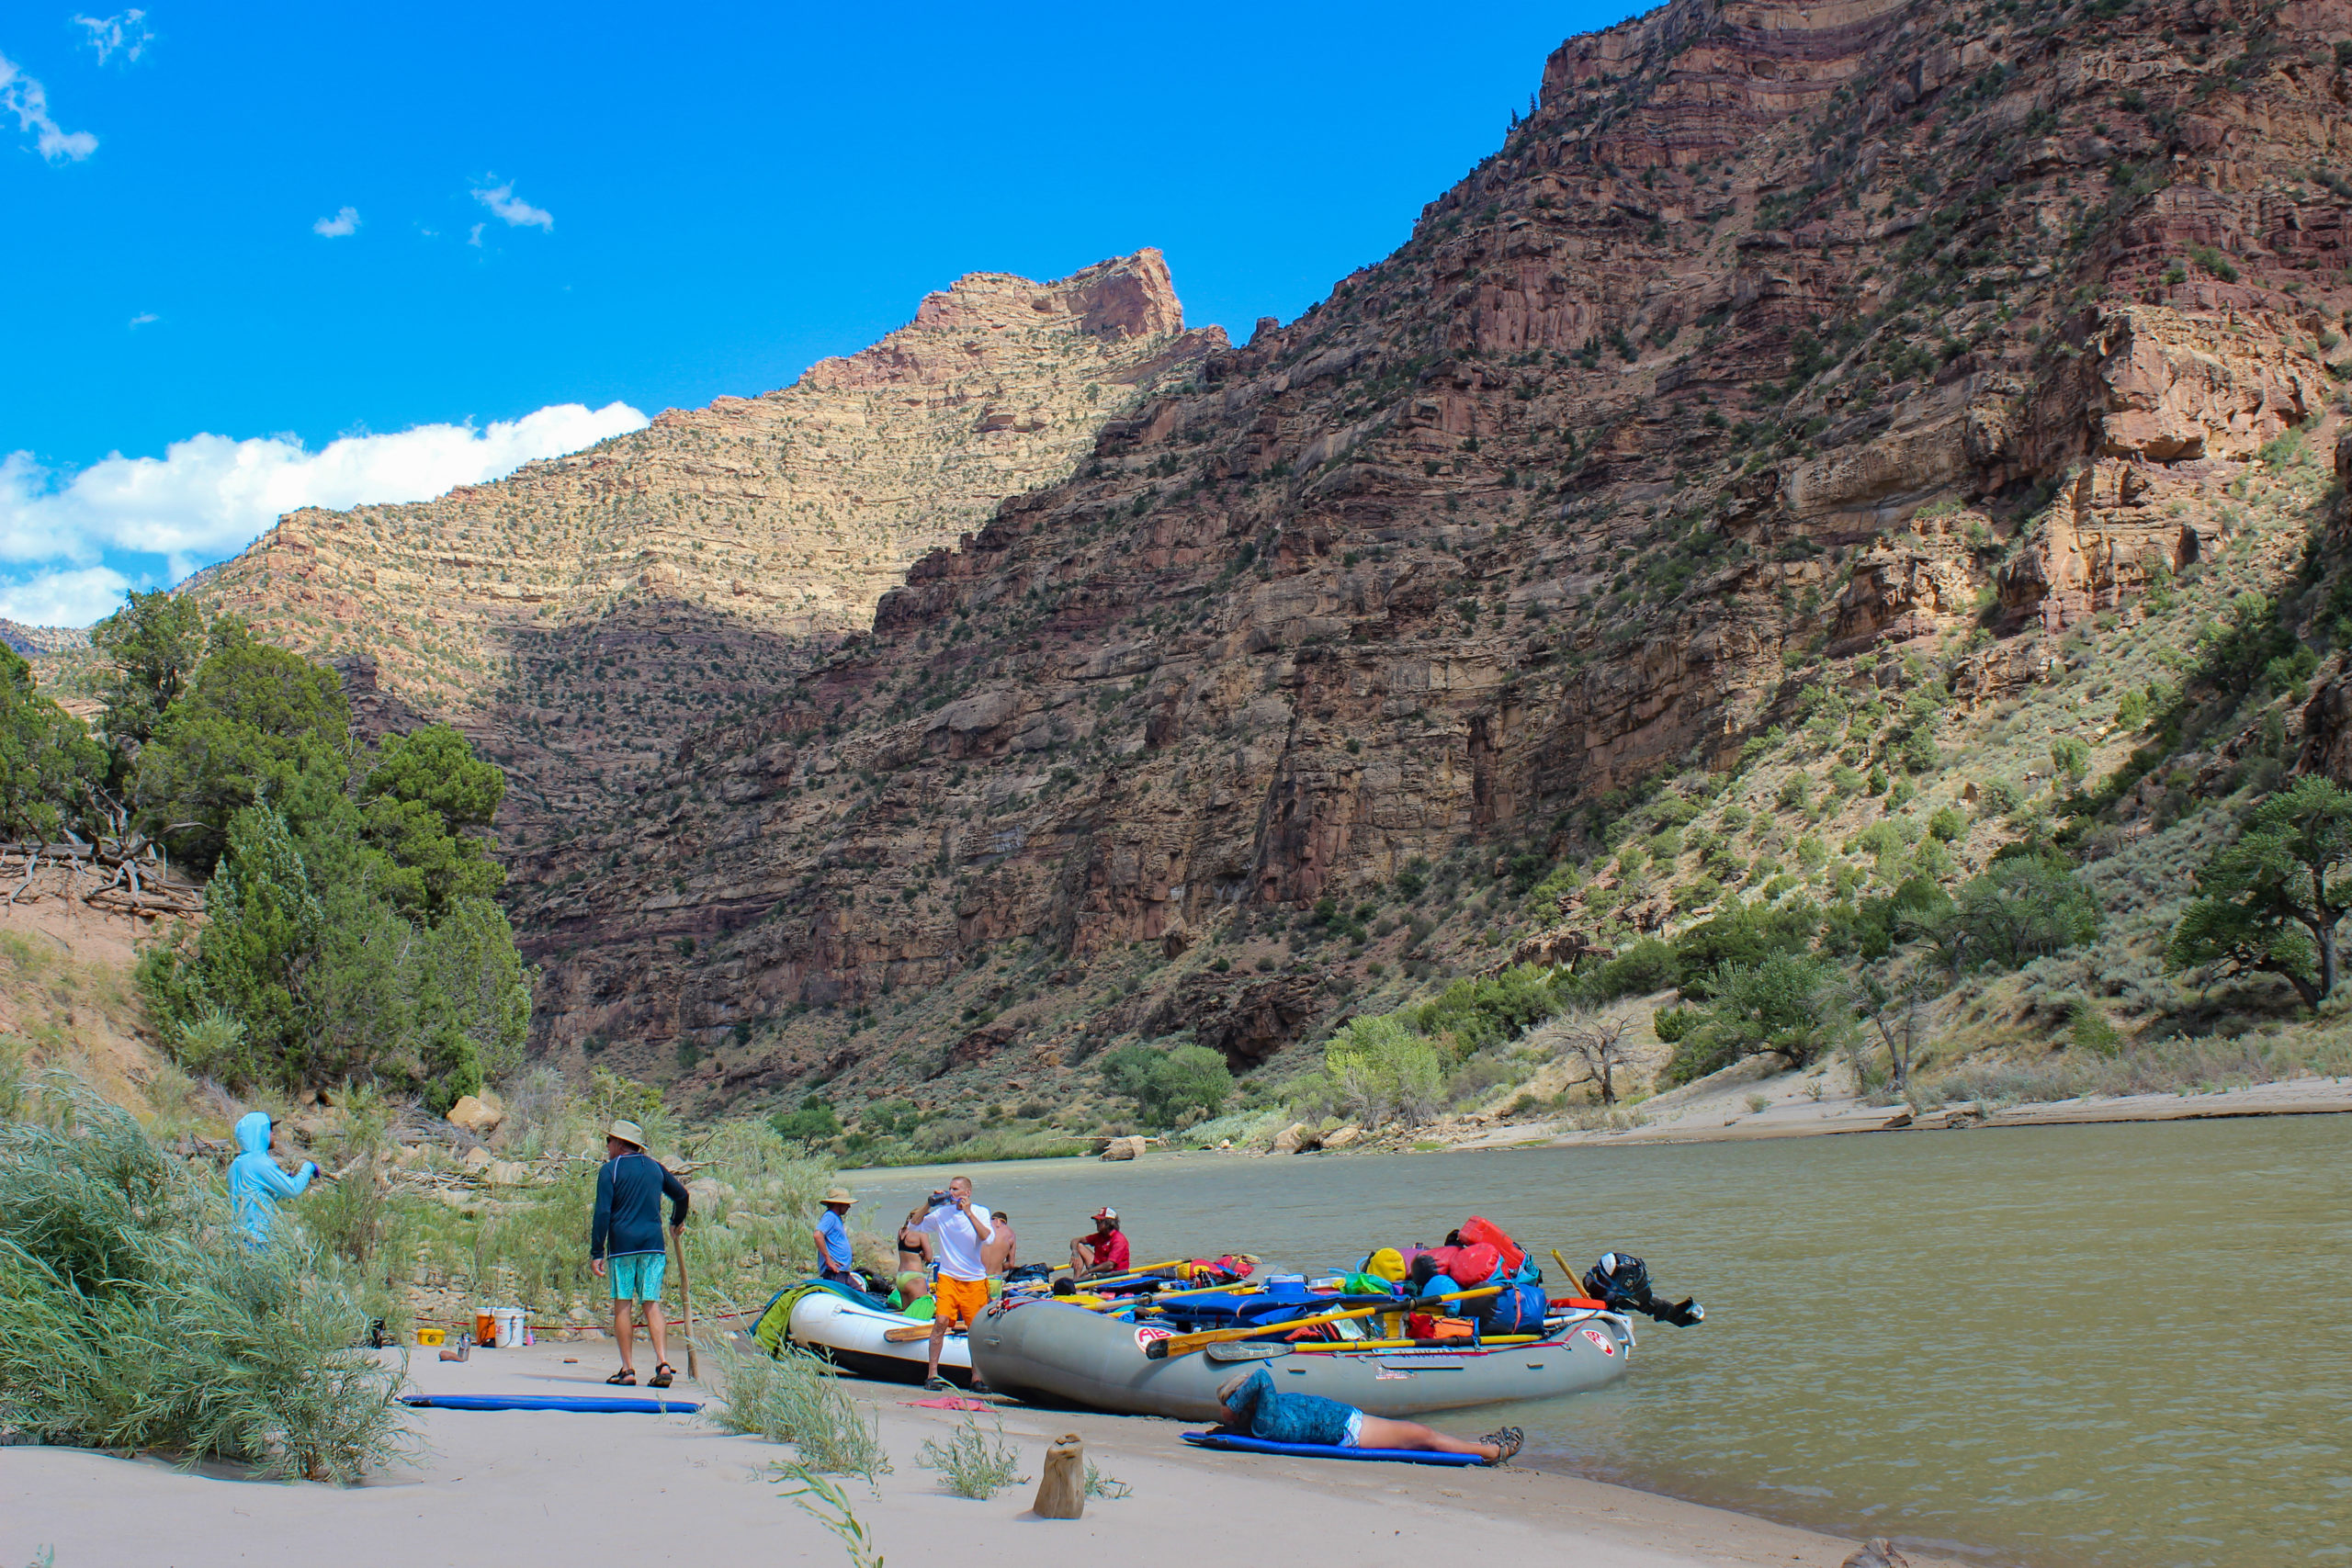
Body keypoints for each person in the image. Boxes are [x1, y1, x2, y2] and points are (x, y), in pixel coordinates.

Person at [1215, 1365, 1521, 1463]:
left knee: (1419, 1434)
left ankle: (1480, 1447)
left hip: (1349, 1421)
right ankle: (1491, 1451)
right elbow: (1261, 1377)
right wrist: (1231, 1408)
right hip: (1350, 1432)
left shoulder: (1265, 1416)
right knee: (1421, 1436)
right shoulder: (1263, 1425)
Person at [590, 1119, 691, 1387]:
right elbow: (681, 1195)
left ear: (621, 1144)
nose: (607, 1146)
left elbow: (602, 1212)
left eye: (609, 1141)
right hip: (653, 1244)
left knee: (623, 1303)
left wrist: (596, 1250)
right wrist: (675, 1221)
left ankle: (627, 1369)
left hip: (623, 1246)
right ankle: (663, 1363)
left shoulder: (610, 1171)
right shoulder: (655, 1168)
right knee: (651, 1303)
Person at [915, 1174, 992, 1391]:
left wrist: (968, 1214)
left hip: (974, 1280)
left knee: (974, 1329)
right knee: (940, 1321)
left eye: (957, 1189)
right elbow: (913, 1226)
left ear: (968, 1193)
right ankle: (932, 1376)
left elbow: (988, 1237)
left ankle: (976, 1378)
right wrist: (928, 1204)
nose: (952, 1193)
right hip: (948, 1277)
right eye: (950, 1189)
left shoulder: (981, 1212)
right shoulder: (942, 1214)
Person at [228, 1111, 318, 1245]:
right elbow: (294, 1189)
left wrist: (279, 1185)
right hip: (259, 1240)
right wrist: (309, 1166)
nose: (273, 1134)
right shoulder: (260, 1162)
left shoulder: (236, 1164)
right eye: (269, 1129)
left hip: (239, 1240)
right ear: (259, 1133)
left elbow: (255, 1199)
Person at [1069, 1207, 1129, 1280]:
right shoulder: (1100, 1236)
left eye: (1099, 1221)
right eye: (1096, 1221)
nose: (1096, 1223)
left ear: (1109, 1223)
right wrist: (1075, 1253)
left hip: (1112, 1273)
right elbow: (1075, 1240)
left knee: (1086, 1277)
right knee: (1078, 1246)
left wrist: (1089, 1271)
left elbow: (1110, 1265)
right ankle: (1076, 1280)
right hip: (1097, 1267)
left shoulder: (1119, 1240)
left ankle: (1078, 1283)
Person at [896, 1205, 933, 1275]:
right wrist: (922, 1256)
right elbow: (929, 1258)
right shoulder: (921, 1234)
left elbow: (907, 1250)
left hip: (900, 1274)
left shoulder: (901, 1231)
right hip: (914, 1274)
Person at [983, 1209, 1018, 1276]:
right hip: (995, 1279)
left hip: (977, 1278)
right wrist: (997, 1267)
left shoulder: (981, 1227)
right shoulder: (1010, 1233)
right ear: (1005, 1222)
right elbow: (1011, 1264)